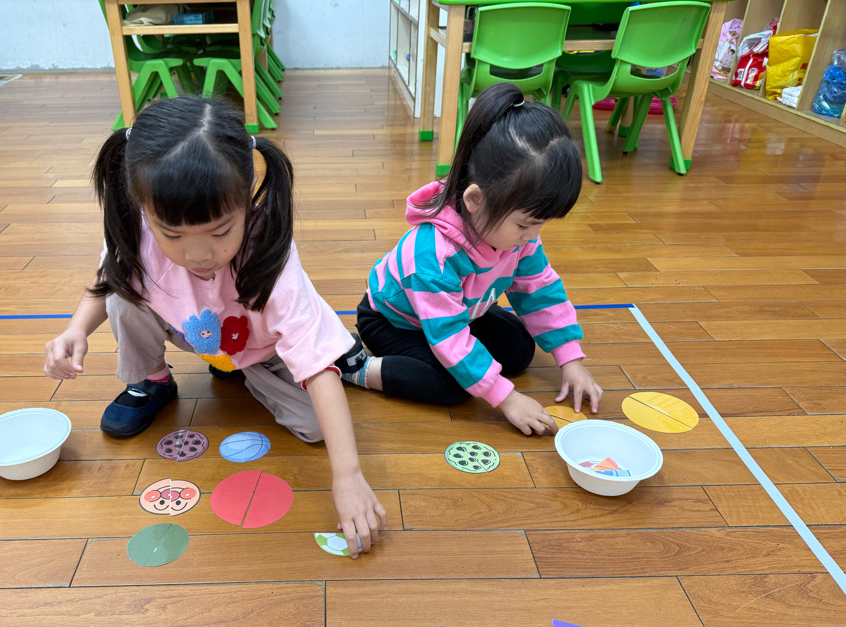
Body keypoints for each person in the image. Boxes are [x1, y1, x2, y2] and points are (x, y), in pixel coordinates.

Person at [43, 97, 385, 556]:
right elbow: (109, 279)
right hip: (197, 332)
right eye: (173, 235)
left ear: (246, 197)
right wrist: (76, 330)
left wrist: (348, 476)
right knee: (123, 299)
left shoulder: (270, 252)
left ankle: (269, 365)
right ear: (144, 207)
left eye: (221, 231)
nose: (198, 254)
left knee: (315, 428)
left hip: (261, 348)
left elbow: (315, 367)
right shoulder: (137, 230)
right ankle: (151, 383)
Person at [341, 83, 603, 435]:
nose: (532, 236)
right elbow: (447, 335)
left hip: (459, 311)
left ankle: (475, 366)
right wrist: (506, 398)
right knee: (453, 386)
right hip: (393, 321)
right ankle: (357, 367)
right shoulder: (432, 254)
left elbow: (539, 290)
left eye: (540, 224)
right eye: (525, 224)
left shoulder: (515, 234)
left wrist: (570, 359)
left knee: (519, 351)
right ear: (476, 200)